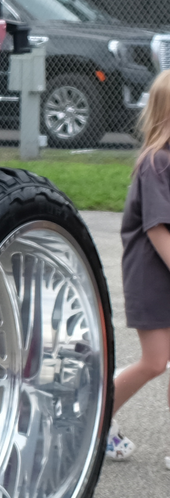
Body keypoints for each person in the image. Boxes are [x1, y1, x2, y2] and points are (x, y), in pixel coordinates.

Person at [104, 68, 170, 463]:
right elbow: (158, 229)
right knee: (154, 361)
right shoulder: (156, 163)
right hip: (152, 278)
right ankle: (94, 423)